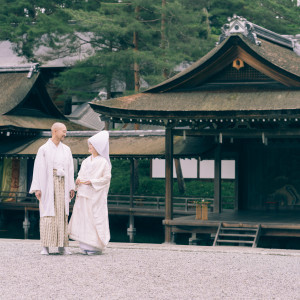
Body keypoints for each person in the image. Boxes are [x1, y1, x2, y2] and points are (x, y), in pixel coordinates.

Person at [29, 122, 75, 255]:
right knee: (47, 214)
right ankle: (45, 246)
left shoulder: (66, 149)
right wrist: (37, 188)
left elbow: (70, 169)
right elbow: (37, 169)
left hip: (62, 183)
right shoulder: (43, 149)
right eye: (63, 131)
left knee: (62, 213)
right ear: (54, 131)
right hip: (47, 184)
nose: (65, 134)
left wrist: (71, 186)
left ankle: (63, 245)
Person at [68, 131, 111, 255]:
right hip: (83, 193)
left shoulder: (103, 162)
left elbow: (107, 178)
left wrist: (92, 181)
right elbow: (81, 174)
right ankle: (84, 245)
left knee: (94, 218)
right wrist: (78, 180)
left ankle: (94, 246)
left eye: (91, 145)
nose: (90, 147)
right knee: (83, 218)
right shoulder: (86, 160)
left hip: (95, 195)